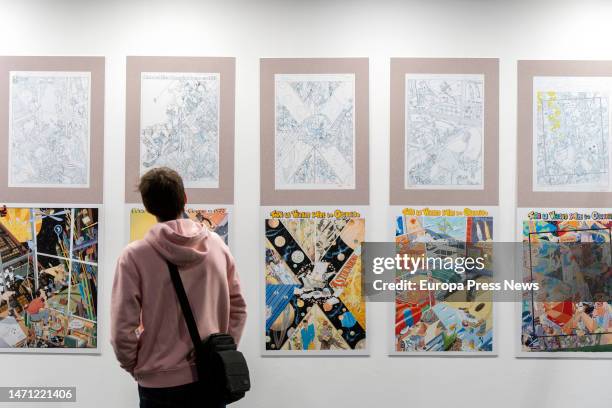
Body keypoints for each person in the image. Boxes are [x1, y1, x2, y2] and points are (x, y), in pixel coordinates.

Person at [111, 167, 247, 408]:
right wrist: (223, 352)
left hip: (158, 385)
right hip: (210, 378)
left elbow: (122, 328)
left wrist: (136, 365)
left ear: (147, 206)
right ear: (185, 198)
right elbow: (238, 308)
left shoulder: (134, 256)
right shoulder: (217, 246)